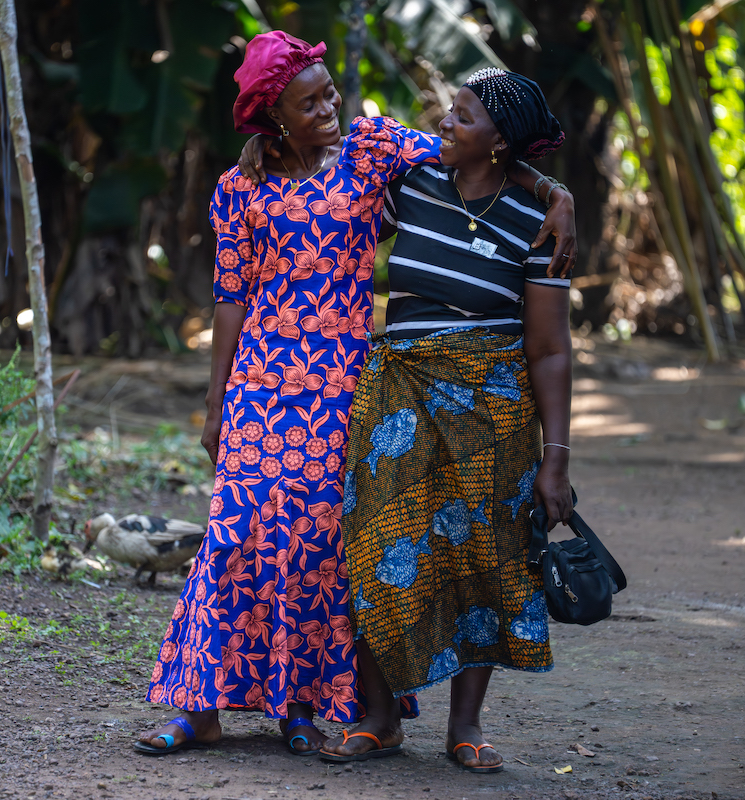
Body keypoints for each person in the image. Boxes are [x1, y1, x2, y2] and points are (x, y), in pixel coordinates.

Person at [135, 32, 575, 758]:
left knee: (321, 544)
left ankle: (304, 703)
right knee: (233, 532)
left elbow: (480, 155)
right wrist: (215, 403)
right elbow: (227, 297)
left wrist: (553, 192)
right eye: (310, 103)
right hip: (261, 378)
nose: (331, 107)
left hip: (344, 379)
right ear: (273, 115)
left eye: (330, 92)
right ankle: (201, 703)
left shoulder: (373, 156)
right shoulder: (237, 189)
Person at [317, 67, 574, 772]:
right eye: (449, 111)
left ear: (498, 142)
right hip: (397, 394)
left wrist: (556, 456)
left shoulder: (537, 225)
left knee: (483, 560)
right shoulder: (413, 185)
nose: (444, 124)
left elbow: (549, 350)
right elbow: (328, 152)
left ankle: (466, 728)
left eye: (462, 117)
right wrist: (259, 142)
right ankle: (379, 718)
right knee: (370, 547)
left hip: (491, 410)